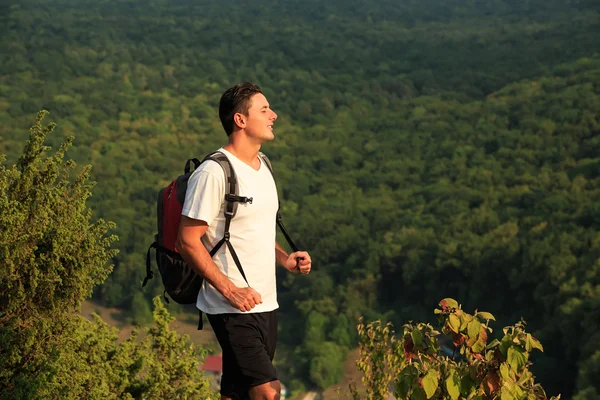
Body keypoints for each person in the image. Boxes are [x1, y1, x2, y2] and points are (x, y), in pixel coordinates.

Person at [176, 82, 312, 400]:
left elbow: (257, 231)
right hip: (230, 305)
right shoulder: (213, 173)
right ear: (240, 120)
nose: (273, 115)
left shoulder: (263, 166)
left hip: (266, 301)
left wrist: (285, 259)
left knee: (237, 392)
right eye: (264, 110)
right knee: (268, 392)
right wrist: (230, 290)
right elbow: (187, 241)